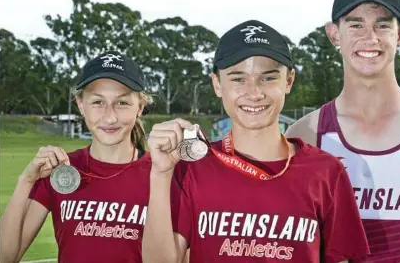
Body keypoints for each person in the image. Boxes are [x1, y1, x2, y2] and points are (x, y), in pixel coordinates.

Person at [142, 20, 370, 263]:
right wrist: (160, 174)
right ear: (217, 84)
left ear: (289, 81)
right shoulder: (192, 168)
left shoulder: (326, 171)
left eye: (268, 78)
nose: (254, 93)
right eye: (238, 79)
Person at [285, 0, 400, 262]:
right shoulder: (305, 135)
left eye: (382, 25)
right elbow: (303, 245)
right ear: (334, 34)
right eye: (356, 25)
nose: (370, 38)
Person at [0, 51, 154, 263]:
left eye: (122, 103)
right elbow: (4, 257)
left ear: (140, 107)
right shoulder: (61, 171)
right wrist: (25, 182)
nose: (109, 117)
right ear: (81, 105)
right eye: (98, 102)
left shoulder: (161, 176)